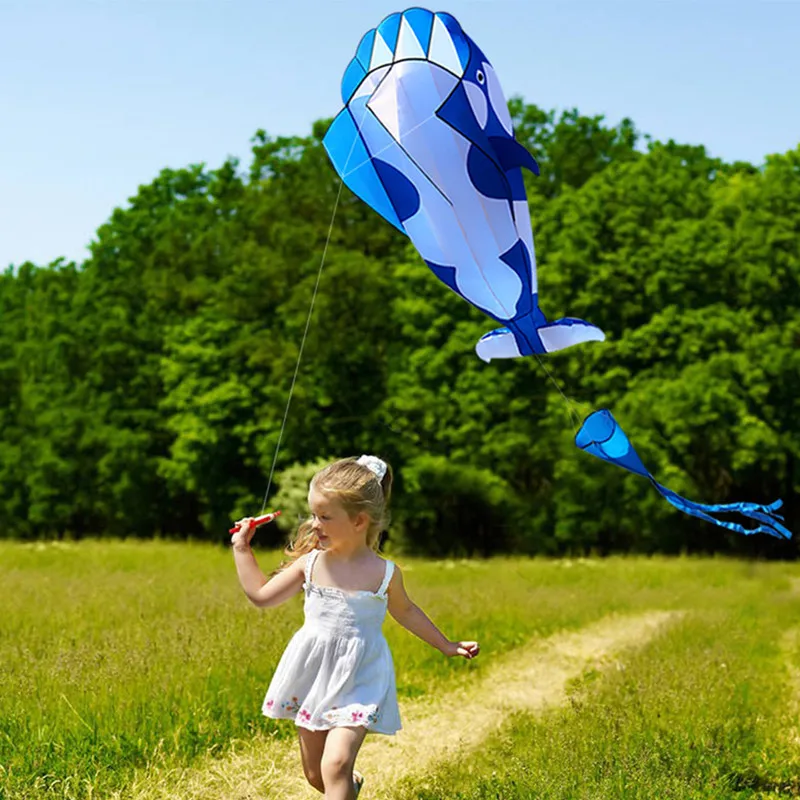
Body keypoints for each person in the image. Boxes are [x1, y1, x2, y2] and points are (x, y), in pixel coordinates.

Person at [232, 455, 480, 800]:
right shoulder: (311, 563)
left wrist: (446, 644)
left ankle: (344, 782)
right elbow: (261, 596)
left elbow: (407, 612)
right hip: (313, 675)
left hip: (361, 677)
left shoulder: (385, 573)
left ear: (359, 520)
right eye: (313, 514)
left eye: (324, 517)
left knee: (335, 766)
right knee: (316, 775)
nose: (314, 524)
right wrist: (242, 548)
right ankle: (351, 788)